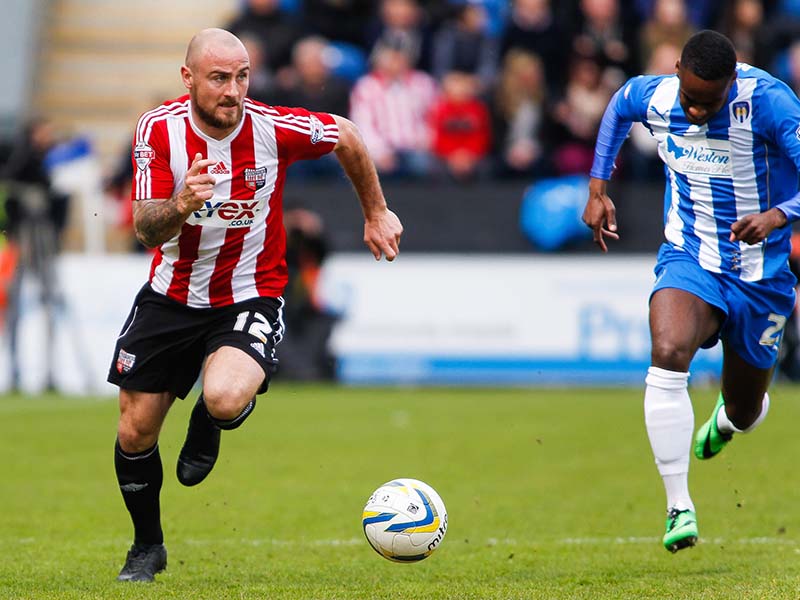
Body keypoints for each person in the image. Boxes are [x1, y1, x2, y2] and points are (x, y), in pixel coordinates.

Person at [107, 28, 403, 583]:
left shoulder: (272, 127)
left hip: (251, 293)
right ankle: (147, 547)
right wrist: (180, 203)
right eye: (219, 78)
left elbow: (348, 136)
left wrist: (376, 212)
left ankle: (209, 419)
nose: (233, 90)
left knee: (222, 397)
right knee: (135, 432)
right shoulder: (158, 129)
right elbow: (148, 230)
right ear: (189, 78)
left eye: (242, 76)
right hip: (171, 295)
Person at [582, 30, 800, 553]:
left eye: (711, 101)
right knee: (668, 350)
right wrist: (597, 187)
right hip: (690, 257)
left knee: (747, 410)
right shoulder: (654, 95)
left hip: (761, 276)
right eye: (691, 99)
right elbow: (617, 107)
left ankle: (726, 420)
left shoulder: (770, 103)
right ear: (676, 69)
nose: (698, 112)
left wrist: (777, 216)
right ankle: (679, 505)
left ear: (733, 80)